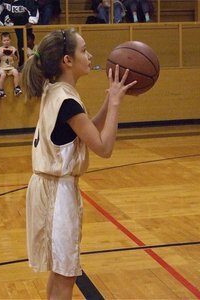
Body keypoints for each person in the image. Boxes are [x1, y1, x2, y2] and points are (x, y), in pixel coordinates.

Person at [21, 28, 136, 299]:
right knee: (66, 276)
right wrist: (117, 105)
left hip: (47, 188)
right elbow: (103, 147)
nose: (90, 55)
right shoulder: (67, 101)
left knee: (60, 273)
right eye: (83, 50)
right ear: (67, 61)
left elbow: (87, 134)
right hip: (57, 195)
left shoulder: (56, 91)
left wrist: (109, 99)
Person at [0, 0, 39, 69]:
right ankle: (22, 63)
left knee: (27, 40)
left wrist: (31, 21)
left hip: (26, 21)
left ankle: (32, 62)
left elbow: (33, 9)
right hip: (15, 20)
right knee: (20, 41)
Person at [0, 32, 22, 97]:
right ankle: (1, 90)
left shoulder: (13, 49)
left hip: (11, 67)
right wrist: (2, 54)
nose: (6, 42)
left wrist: (12, 54)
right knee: (3, 75)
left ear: (10, 40)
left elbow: (16, 58)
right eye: (4, 40)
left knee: (16, 72)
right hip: (2, 67)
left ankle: (16, 88)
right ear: (1, 41)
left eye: (7, 40)